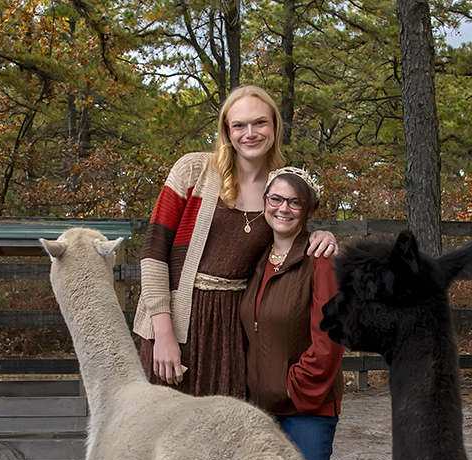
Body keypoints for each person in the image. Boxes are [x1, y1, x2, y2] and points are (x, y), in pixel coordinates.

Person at [133, 85, 337, 398]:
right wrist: (163, 333)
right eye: (239, 125)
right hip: (178, 321)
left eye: (260, 123)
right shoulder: (194, 171)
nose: (249, 133)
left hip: (235, 330)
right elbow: (153, 253)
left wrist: (322, 235)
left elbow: (292, 239)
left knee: (224, 433)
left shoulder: (280, 188)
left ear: (275, 126)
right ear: (227, 131)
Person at [240, 166, 356, 460]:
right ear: (264, 201)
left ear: (307, 210)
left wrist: (294, 385)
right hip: (258, 403)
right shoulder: (254, 259)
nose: (283, 209)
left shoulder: (320, 258)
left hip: (305, 399)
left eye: (294, 202)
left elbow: (331, 336)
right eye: (276, 199)